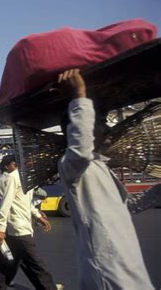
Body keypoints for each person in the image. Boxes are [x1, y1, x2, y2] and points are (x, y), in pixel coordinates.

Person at [57, 68, 155, 290]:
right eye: (100, 123)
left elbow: (128, 206)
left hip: (129, 265)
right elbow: (80, 149)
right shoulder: (72, 166)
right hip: (108, 271)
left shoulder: (100, 166)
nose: (107, 129)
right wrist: (79, 95)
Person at [0, 155, 61, 290]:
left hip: (21, 226)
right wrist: (1, 228)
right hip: (18, 228)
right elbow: (5, 203)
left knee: (10, 262)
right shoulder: (13, 177)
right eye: (31, 160)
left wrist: (37, 216)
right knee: (36, 264)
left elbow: (25, 203)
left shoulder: (26, 179)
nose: (34, 162)